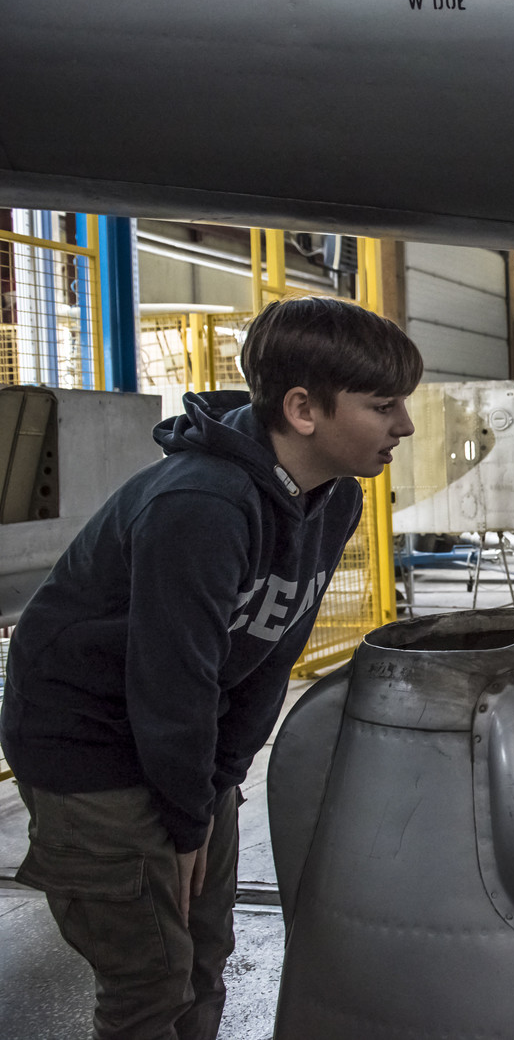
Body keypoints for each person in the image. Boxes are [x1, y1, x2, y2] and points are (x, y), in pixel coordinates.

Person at [0, 296, 421, 1040]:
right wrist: (189, 818)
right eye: (383, 406)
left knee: (203, 953)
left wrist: (220, 780)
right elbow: (172, 681)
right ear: (302, 409)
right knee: (148, 981)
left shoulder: (333, 500)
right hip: (90, 744)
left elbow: (271, 651)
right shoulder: (201, 504)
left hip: (181, 738)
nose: (405, 426)